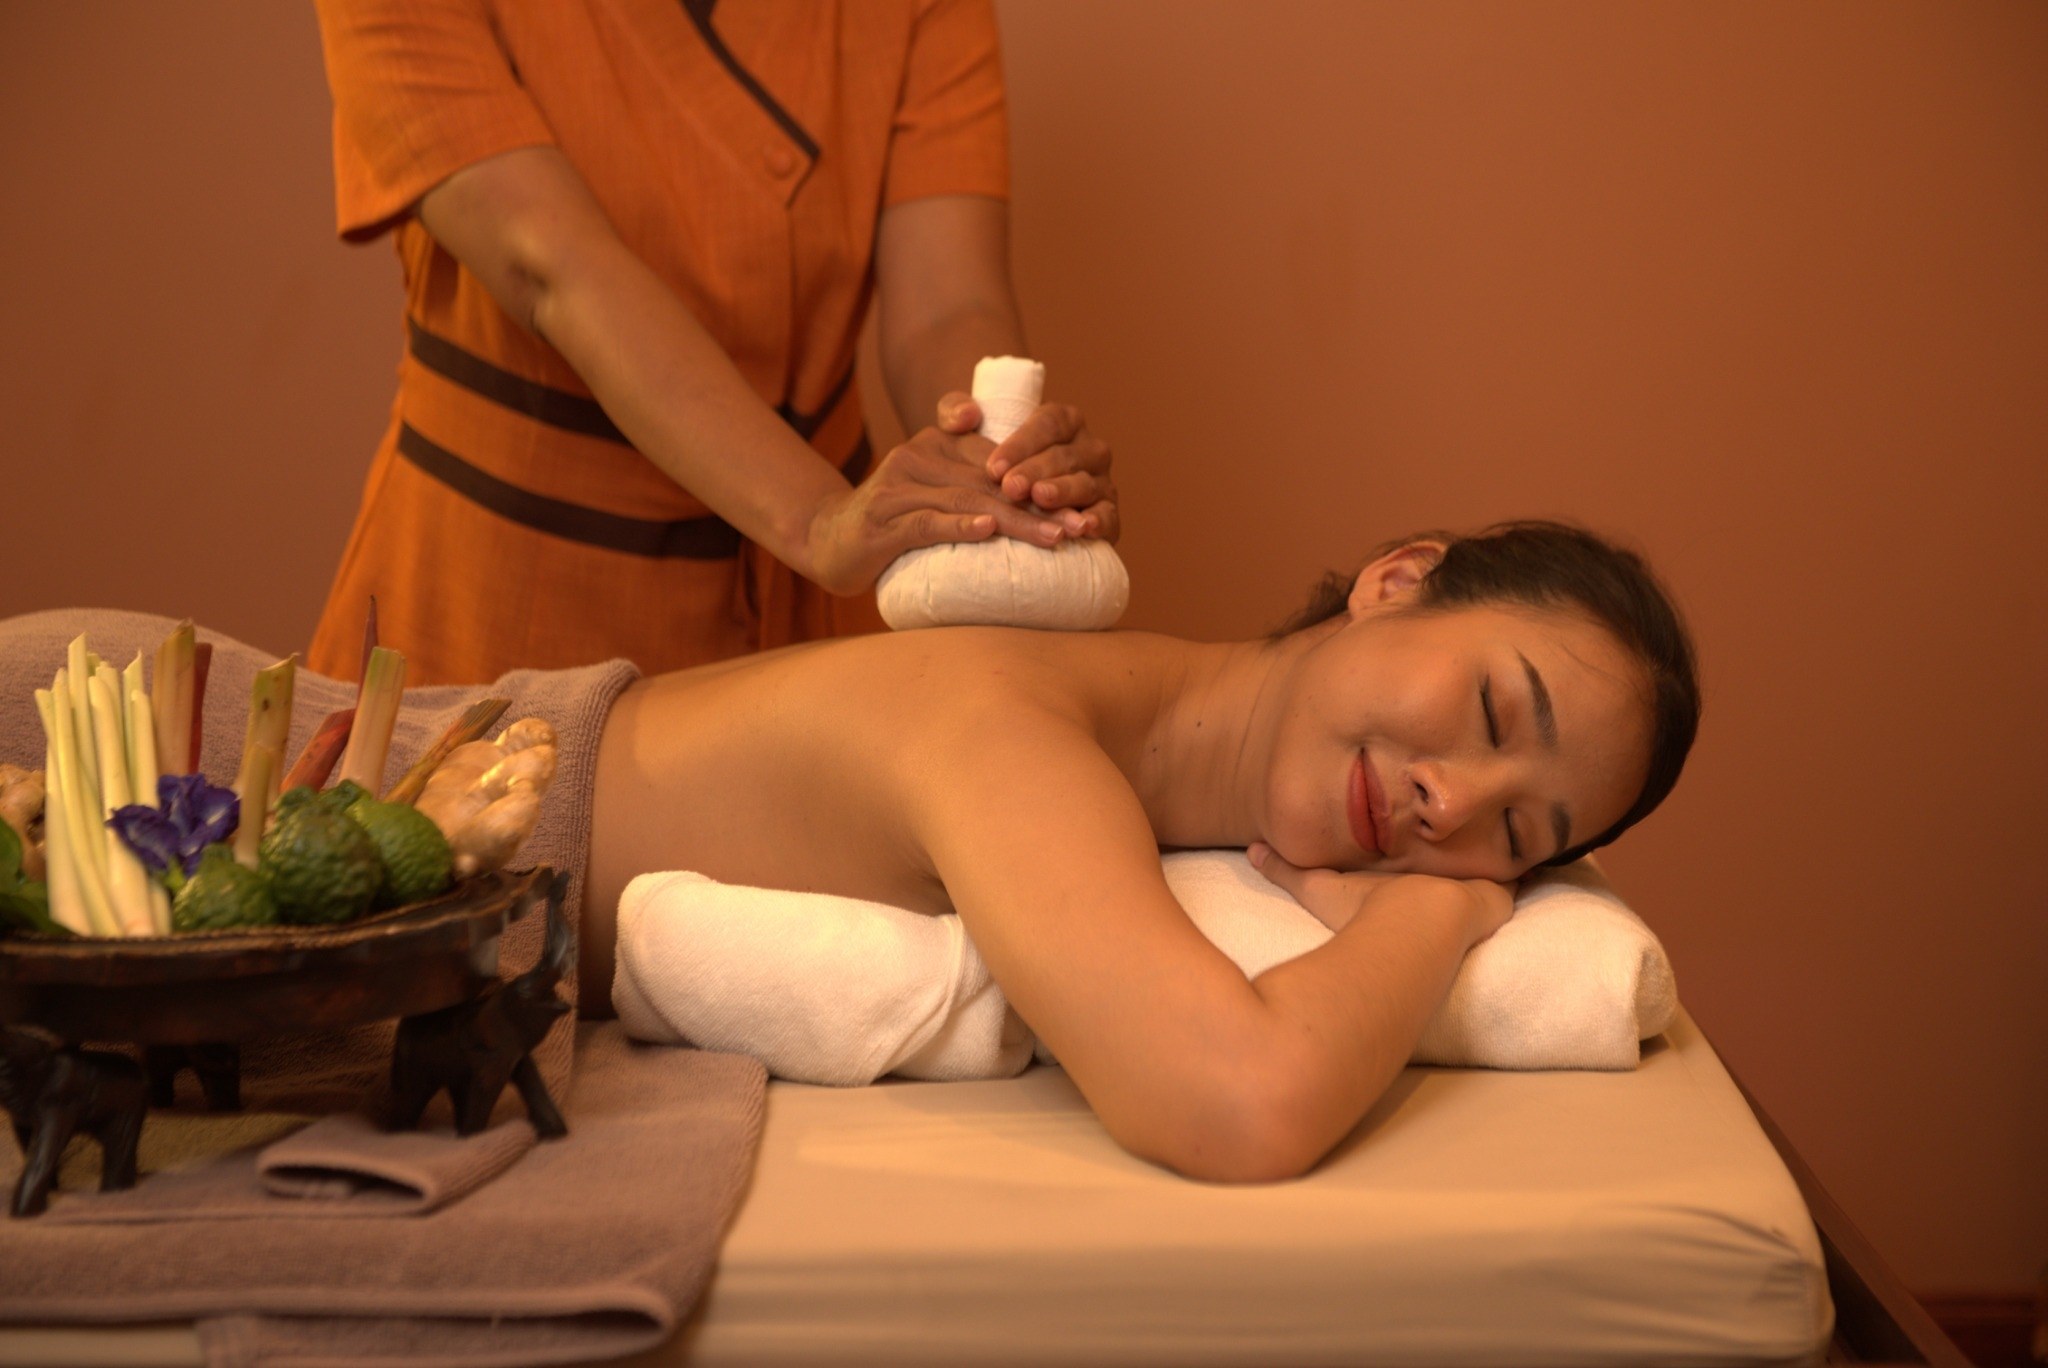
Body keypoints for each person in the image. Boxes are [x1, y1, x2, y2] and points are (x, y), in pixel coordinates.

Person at [579, 520, 1700, 1181]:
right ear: (1397, 583)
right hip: (478, 830)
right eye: (1493, 713)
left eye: (1514, 835)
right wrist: (1435, 914)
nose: (1448, 802)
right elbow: (1239, 1103)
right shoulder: (1010, 726)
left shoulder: (1121, 751)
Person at [303, 0, 1116, 686]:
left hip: (810, 631)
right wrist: (818, 519)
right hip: (505, 605)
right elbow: (552, 268)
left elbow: (949, 303)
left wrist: (999, 468)